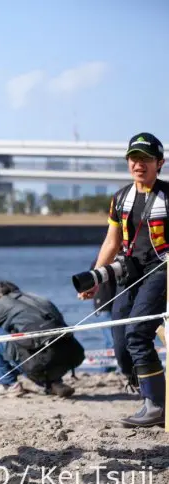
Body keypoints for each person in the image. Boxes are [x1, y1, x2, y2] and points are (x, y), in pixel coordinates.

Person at [78, 132, 167, 427]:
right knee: (119, 340)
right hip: (130, 274)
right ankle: (146, 390)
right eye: (134, 158)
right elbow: (111, 243)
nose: (139, 164)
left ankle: (155, 405)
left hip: (162, 272)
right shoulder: (119, 199)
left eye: (146, 159)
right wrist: (95, 279)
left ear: (160, 163)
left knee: (138, 333)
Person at [0, 280, 82, 397]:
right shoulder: (38, 298)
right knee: (43, 339)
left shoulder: (1, 303)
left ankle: (9, 385)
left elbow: (0, 339)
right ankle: (54, 383)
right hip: (68, 357)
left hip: (38, 362)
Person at [91, 257, 117, 373]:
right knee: (111, 340)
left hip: (112, 304)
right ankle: (107, 369)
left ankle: (109, 368)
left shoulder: (115, 260)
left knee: (112, 339)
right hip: (104, 305)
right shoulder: (100, 261)